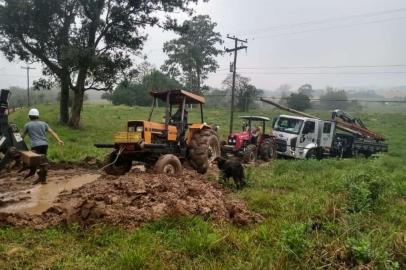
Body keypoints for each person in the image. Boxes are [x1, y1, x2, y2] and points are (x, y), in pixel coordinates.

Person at [22, 108, 64, 184]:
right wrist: (59, 140)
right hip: (44, 145)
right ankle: (43, 180)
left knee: (37, 163)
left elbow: (22, 137)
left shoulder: (27, 125)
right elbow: (52, 132)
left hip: (35, 146)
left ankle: (39, 177)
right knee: (42, 162)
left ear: (29, 116)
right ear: (38, 116)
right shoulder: (44, 123)